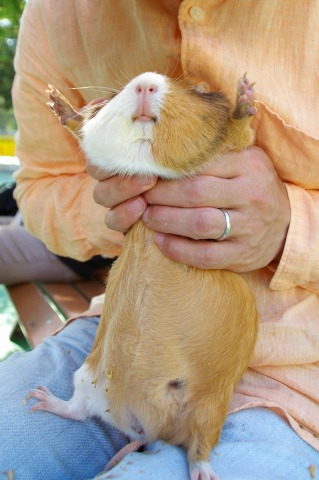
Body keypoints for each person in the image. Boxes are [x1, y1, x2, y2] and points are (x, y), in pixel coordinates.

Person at [0, 1, 318, 479]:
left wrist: (292, 227)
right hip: (123, 338)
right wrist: (123, 202)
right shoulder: (54, 12)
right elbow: (41, 185)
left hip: (301, 370)